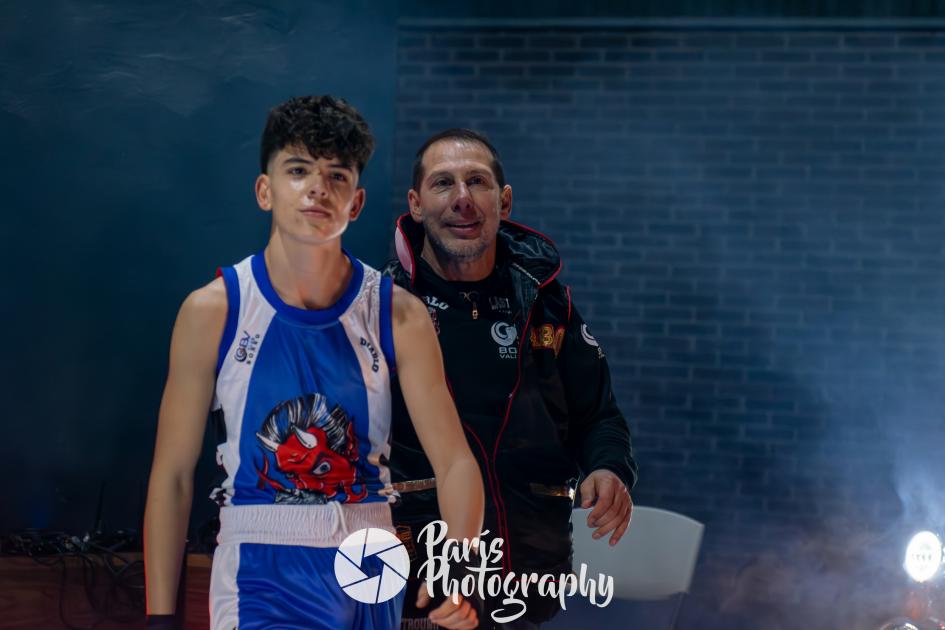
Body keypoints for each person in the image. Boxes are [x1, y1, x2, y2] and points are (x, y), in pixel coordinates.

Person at [143, 97, 484, 630]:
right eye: (299, 170)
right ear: (265, 190)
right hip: (261, 563)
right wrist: (160, 619)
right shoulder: (214, 311)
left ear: (357, 202)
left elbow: (457, 462)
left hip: (371, 556)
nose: (318, 188)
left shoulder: (398, 314)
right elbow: (173, 477)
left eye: (336, 175)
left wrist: (458, 569)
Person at [385, 129, 638, 628]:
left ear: (503, 202)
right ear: (415, 204)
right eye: (443, 183)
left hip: (526, 579)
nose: (462, 198)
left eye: (477, 181)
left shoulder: (548, 304)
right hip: (413, 585)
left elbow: (599, 416)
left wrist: (609, 469)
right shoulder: (380, 308)